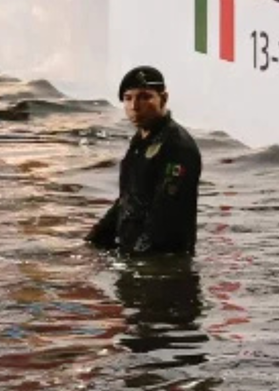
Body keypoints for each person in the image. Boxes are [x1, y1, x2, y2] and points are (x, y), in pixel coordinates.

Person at [86, 65, 203, 254]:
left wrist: (135, 260)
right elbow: (129, 198)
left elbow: (166, 214)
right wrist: (95, 240)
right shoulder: (141, 140)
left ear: (163, 99)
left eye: (144, 97)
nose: (134, 107)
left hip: (161, 261)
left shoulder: (177, 146)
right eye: (128, 98)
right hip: (134, 252)